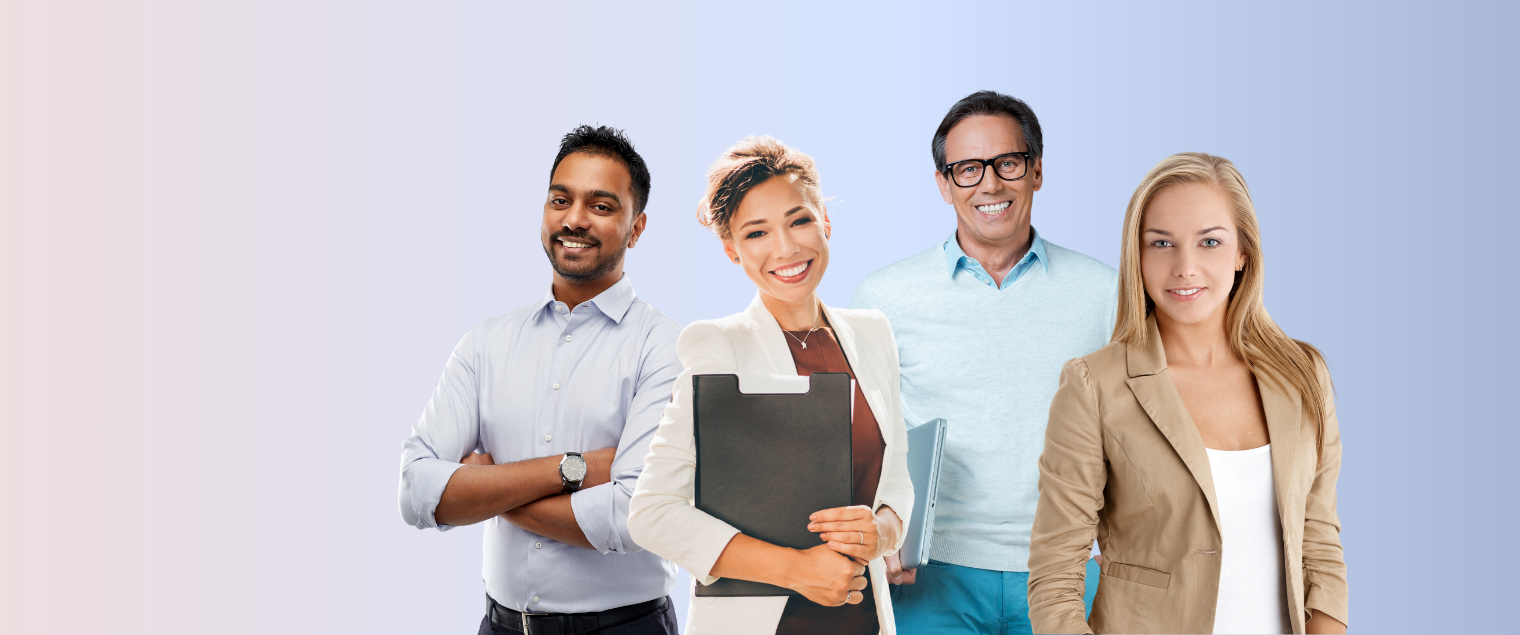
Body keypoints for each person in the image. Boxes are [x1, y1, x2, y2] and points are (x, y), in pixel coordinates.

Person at [1027, 152, 1350, 634]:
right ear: (1137, 255)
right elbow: (1056, 576)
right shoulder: (1094, 387)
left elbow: (1319, 542)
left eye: (1210, 242)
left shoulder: (1303, 375)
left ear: (1243, 252)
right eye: (1162, 243)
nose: (1185, 266)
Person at [398, 125, 683, 635]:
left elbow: (630, 517)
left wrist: (486, 489)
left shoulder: (664, 348)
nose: (574, 220)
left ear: (636, 228)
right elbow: (417, 492)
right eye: (561, 199)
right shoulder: (485, 344)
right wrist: (574, 469)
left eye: (600, 206)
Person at [849, 90, 1115, 634]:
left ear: (1036, 171)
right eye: (968, 169)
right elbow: (854, 431)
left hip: (1071, 571)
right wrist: (877, 529)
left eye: (1008, 163)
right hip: (928, 573)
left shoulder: (1106, 293)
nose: (990, 184)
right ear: (944, 184)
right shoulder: (884, 296)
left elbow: (1141, 425)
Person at [628, 136, 913, 635]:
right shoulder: (719, 346)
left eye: (799, 220)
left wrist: (883, 531)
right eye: (757, 233)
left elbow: (895, 480)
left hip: (864, 620)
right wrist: (798, 570)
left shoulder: (872, 333)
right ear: (732, 251)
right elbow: (652, 513)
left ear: (825, 220)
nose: (786, 248)